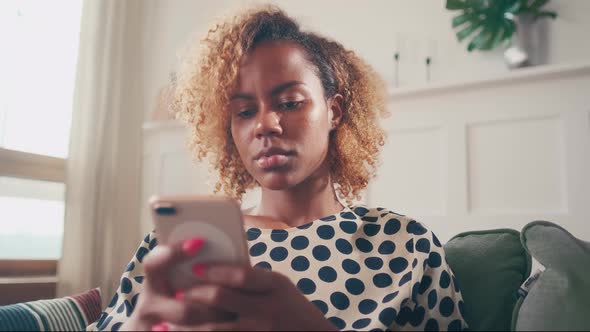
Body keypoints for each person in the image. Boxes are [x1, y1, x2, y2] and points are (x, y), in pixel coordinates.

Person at [88, 5, 468, 331]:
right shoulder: (178, 246)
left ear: (333, 111)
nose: (264, 125)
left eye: (289, 102)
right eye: (244, 112)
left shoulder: (405, 244)